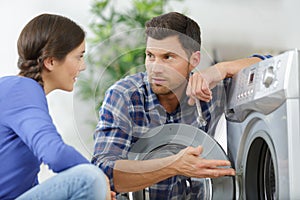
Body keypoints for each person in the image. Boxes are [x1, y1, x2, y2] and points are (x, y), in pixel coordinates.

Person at [91, 12, 271, 199]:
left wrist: (220, 69)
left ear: (194, 60)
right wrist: (173, 165)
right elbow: (103, 173)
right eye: (150, 55)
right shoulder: (124, 96)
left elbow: (269, 65)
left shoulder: (211, 92)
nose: (156, 67)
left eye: (168, 57)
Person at [0, 13, 116, 200]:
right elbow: (55, 154)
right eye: (79, 57)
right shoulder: (20, 89)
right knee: (89, 178)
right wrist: (101, 178)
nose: (83, 66)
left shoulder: (20, 91)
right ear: (51, 61)